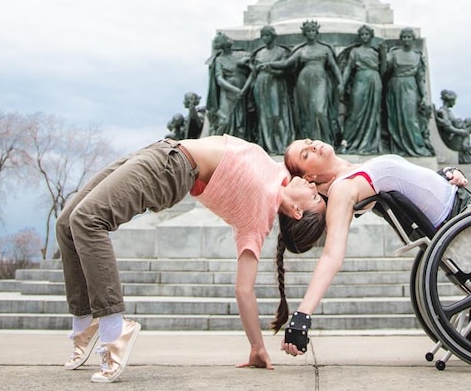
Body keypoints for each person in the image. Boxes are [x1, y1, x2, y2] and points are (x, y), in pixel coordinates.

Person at [55, 135, 324, 382]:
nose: (312, 184)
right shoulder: (280, 172)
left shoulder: (258, 216)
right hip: (162, 149)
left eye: (314, 196)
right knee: (66, 224)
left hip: (173, 168)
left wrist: (257, 347)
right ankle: (84, 319)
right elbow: (311, 155)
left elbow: (244, 290)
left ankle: (114, 328)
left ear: (298, 211)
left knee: (89, 220)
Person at [272, 138, 471, 355]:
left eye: (309, 142)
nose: (314, 145)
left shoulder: (351, 173)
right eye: (306, 153)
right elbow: (332, 255)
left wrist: (444, 176)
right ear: (309, 175)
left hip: (465, 207)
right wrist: (301, 317)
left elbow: (411, 189)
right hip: (465, 217)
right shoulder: (343, 189)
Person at [259, 20, 342, 146]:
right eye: (308, 31)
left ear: (317, 32)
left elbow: (334, 67)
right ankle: (310, 142)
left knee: (320, 111)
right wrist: (269, 64)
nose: (311, 33)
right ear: (304, 33)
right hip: (303, 81)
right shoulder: (301, 50)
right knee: (307, 112)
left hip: (320, 80)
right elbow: (286, 63)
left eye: (313, 31)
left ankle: (327, 141)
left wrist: (341, 82)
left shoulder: (325, 49)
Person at [383, 28, 434, 157]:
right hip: (395, 85)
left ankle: (415, 146)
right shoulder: (394, 54)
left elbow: (420, 79)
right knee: (396, 117)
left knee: (410, 118)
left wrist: (423, 96)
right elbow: (385, 71)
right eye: (404, 37)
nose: (406, 39)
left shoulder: (417, 56)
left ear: (413, 39)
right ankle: (399, 146)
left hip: (410, 86)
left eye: (409, 37)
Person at [247, 25, 295, 154]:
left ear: (273, 36)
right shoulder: (259, 53)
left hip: (276, 83)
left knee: (277, 114)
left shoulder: (281, 52)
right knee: (264, 116)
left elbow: (286, 71)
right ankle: (269, 146)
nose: (264, 38)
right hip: (260, 84)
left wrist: (271, 70)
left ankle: (283, 145)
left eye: (267, 35)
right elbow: (253, 73)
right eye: (262, 35)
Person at [338, 25, 382, 154]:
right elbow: (348, 69)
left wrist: (384, 54)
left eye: (366, 34)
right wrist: (342, 83)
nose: (364, 37)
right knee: (355, 112)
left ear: (371, 36)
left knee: (372, 113)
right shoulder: (355, 52)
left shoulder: (376, 52)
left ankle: (368, 144)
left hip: (374, 81)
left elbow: (383, 70)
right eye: (362, 34)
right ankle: (347, 141)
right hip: (360, 80)